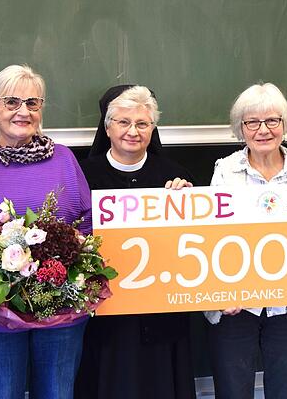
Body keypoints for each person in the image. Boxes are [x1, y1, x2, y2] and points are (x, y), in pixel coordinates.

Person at [0, 64, 92, 399]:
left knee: (57, 393)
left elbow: (86, 225)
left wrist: (62, 278)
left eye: (33, 103)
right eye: (12, 102)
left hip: (60, 308)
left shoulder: (64, 160)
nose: (22, 111)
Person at [73, 85, 196, 399]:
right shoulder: (82, 176)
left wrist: (188, 201)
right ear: (108, 127)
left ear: (152, 129)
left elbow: (193, 243)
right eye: (123, 122)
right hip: (107, 315)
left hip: (162, 313)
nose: (133, 131)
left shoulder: (175, 177)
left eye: (142, 124)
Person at [204, 83, 287, 399]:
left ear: (284, 125)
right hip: (235, 304)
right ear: (241, 128)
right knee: (232, 392)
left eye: (272, 121)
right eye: (252, 122)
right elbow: (212, 238)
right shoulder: (225, 171)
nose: (263, 130)